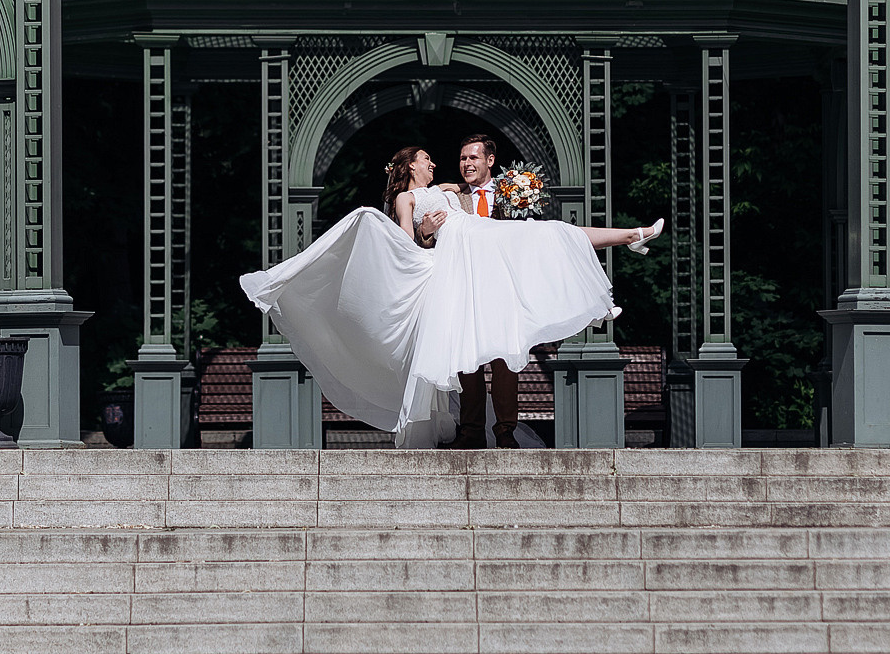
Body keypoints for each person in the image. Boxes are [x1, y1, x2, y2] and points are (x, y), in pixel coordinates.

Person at [239, 144, 663, 449]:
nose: (435, 162)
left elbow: (480, 188)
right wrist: (424, 232)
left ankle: (629, 240)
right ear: (410, 166)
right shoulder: (406, 197)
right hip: (462, 251)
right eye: (426, 158)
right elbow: (405, 244)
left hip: (478, 242)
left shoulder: (450, 187)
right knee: (547, 238)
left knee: (552, 233)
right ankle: (615, 266)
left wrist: (508, 187)